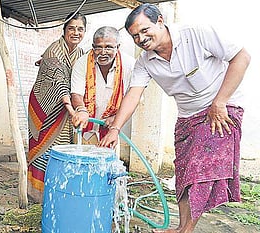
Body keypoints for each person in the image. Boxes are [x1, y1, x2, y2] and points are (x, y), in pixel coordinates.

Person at [98, 3, 250, 233]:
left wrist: (219, 102)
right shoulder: (145, 62)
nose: (141, 38)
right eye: (135, 36)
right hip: (187, 117)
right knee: (184, 172)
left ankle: (186, 230)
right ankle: (181, 227)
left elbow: (242, 56)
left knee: (199, 169)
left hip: (221, 109)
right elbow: (134, 94)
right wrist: (115, 129)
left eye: (144, 30)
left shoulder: (195, 34)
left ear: (160, 21)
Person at [27, 12, 87, 203]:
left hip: (68, 107)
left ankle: (58, 190)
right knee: (46, 149)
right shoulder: (54, 51)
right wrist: (74, 111)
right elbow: (60, 84)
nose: (75, 32)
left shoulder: (81, 53)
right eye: (71, 28)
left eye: (80, 29)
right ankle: (38, 194)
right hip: (47, 107)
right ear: (64, 30)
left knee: (64, 148)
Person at [70, 26, 135, 144]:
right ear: (93, 47)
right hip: (85, 125)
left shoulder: (130, 65)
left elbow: (134, 97)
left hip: (113, 127)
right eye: (98, 47)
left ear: (118, 47)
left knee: (108, 160)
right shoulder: (82, 63)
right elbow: (76, 94)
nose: (103, 52)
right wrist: (81, 110)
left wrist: (115, 119)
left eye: (109, 47)